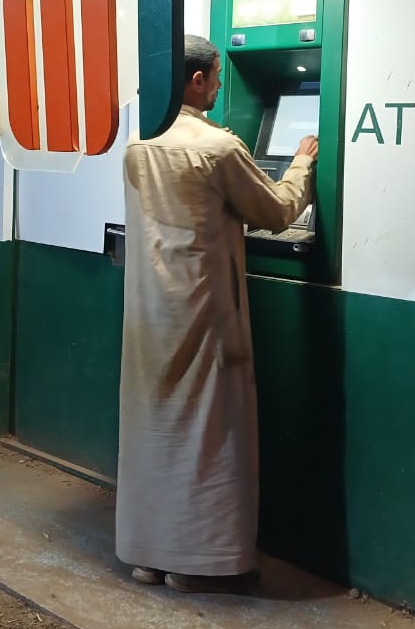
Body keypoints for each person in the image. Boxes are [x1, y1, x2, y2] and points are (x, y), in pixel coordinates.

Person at [115, 34, 319, 594]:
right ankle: (195, 563)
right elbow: (276, 211)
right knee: (206, 435)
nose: (221, 88)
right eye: (216, 79)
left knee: (154, 429)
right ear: (197, 79)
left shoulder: (138, 142)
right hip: (203, 311)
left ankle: (147, 556)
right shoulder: (219, 148)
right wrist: (301, 164)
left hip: (151, 311)